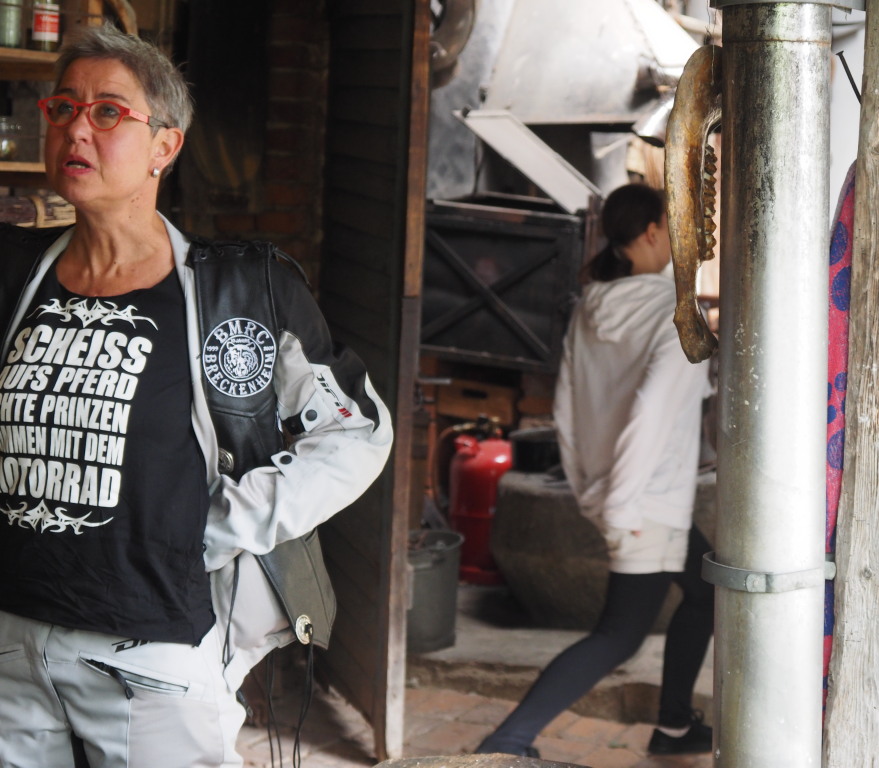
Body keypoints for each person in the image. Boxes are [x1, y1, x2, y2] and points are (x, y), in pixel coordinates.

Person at [0, 24, 393, 768]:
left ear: (165, 146)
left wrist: (220, 525)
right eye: (63, 108)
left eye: (108, 112)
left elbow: (357, 432)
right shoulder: (14, 273)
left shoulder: (238, 290)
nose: (77, 129)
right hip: (11, 644)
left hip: (153, 652)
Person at [476, 183, 714, 758]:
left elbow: (566, 407)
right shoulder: (677, 316)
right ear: (653, 232)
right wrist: (622, 504)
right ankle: (507, 741)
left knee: (706, 593)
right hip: (644, 503)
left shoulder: (592, 307)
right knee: (618, 636)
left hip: (629, 493)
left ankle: (674, 725)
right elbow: (648, 417)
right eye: (673, 225)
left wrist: (590, 489)